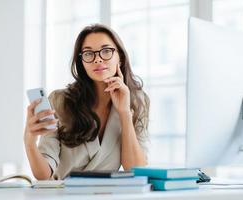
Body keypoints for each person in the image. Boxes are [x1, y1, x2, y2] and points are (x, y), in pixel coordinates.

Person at [23, 24, 150, 180]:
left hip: (108, 195)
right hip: (64, 195)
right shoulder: (60, 101)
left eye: (106, 51)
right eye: (88, 53)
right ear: (82, 61)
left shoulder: (137, 101)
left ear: (121, 57)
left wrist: (124, 113)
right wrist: (29, 141)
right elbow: (43, 175)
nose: (97, 59)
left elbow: (136, 170)